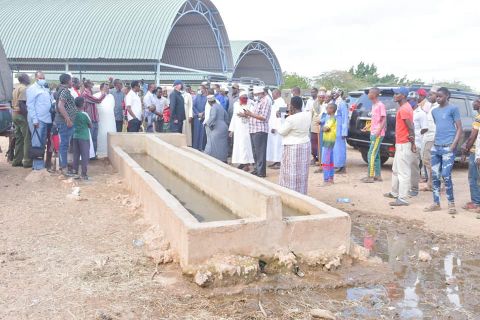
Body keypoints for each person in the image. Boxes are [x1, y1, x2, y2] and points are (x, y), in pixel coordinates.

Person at [424, 87, 463, 214]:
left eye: (440, 96)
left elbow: (459, 129)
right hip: (436, 147)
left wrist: (453, 145)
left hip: (448, 147)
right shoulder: (434, 111)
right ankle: (436, 203)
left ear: (447, 96)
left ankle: (451, 203)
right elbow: (439, 128)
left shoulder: (453, 109)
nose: (438, 98)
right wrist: (434, 145)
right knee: (435, 175)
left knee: (446, 175)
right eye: (437, 96)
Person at [384, 87, 415, 206]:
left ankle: (402, 198)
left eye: (397, 94)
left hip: (404, 143)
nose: (394, 96)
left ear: (403, 95)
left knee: (403, 172)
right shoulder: (404, 107)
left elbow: (411, 127)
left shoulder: (404, 109)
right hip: (401, 143)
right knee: (396, 170)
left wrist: (412, 143)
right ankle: (394, 192)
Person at [277, 96, 311, 194]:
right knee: (302, 171)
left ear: (292, 106)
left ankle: (291, 193)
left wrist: (282, 119)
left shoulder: (291, 119)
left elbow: (281, 131)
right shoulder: (308, 115)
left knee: (290, 171)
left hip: (293, 147)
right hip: (305, 145)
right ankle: (301, 192)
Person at [244, 86, 272, 178]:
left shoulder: (266, 101)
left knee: (260, 152)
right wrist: (246, 115)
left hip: (260, 129)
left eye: (256, 94)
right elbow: (255, 115)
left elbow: (263, 117)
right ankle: (257, 169)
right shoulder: (258, 101)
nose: (255, 96)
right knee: (255, 151)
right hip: (253, 129)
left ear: (262, 93)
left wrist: (250, 114)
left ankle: (261, 172)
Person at [361, 88, 386, 183]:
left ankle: (370, 176)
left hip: (378, 134)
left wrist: (378, 132)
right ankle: (378, 176)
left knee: (371, 154)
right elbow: (374, 120)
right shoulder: (374, 105)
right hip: (373, 132)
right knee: (376, 155)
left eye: (370, 92)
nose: (368, 94)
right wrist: (367, 127)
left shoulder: (380, 105)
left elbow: (383, 120)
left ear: (375, 94)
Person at [54, 73, 77, 174]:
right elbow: (60, 106)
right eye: (71, 80)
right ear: (68, 81)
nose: (72, 82)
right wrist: (68, 119)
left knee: (64, 144)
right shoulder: (64, 91)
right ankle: (64, 168)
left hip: (64, 122)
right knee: (64, 145)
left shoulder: (61, 90)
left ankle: (63, 166)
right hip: (64, 122)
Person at [461, 98, 480, 211]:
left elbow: (473, 136)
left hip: (476, 152)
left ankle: (476, 202)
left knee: (473, 178)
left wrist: (466, 149)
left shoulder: (478, 118)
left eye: (476, 101)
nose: (473, 103)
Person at [409, 91, 428, 196]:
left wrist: (417, 136)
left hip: (416, 143)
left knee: (414, 167)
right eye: (408, 100)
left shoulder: (421, 113)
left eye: (411, 100)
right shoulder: (407, 111)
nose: (409, 102)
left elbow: (425, 128)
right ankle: (406, 187)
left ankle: (414, 188)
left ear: (416, 101)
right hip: (405, 142)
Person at [229, 91, 254, 171]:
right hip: (238, 129)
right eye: (242, 97)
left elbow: (254, 115)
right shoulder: (236, 104)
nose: (244, 99)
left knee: (245, 146)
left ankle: (247, 164)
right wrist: (231, 130)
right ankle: (241, 162)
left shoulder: (251, 103)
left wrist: (245, 115)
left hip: (247, 128)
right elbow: (234, 116)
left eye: (245, 97)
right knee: (238, 146)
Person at [420, 88, 439, 191]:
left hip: (432, 137)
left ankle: (435, 183)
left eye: (431, 94)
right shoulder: (429, 106)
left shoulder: (438, 108)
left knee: (428, 160)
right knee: (425, 160)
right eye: (429, 94)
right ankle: (431, 184)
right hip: (426, 136)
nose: (429, 96)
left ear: (437, 96)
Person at [11, 73, 32, 168]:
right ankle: (27, 161)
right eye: (28, 77)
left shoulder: (16, 88)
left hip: (15, 115)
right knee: (27, 138)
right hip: (21, 115)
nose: (29, 79)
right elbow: (22, 103)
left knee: (19, 138)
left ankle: (16, 160)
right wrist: (27, 116)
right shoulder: (24, 88)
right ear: (24, 79)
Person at [82, 80, 107, 157]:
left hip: (94, 119)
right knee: (90, 139)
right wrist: (103, 93)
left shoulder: (89, 93)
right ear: (88, 85)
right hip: (90, 120)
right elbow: (98, 100)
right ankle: (88, 155)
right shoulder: (85, 94)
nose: (92, 85)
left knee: (94, 139)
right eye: (91, 83)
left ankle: (93, 155)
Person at [204, 95, 229, 162]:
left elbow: (213, 116)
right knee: (222, 145)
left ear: (209, 102)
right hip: (224, 126)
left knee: (212, 143)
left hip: (217, 127)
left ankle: (213, 159)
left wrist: (207, 123)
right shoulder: (220, 106)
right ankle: (223, 159)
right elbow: (226, 116)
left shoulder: (213, 107)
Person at [71, 97, 91, 180]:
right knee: (84, 155)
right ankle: (84, 174)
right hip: (84, 136)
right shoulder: (84, 114)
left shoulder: (73, 114)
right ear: (82, 104)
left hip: (75, 136)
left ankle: (75, 172)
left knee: (76, 155)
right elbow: (90, 125)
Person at [266, 89, 285, 169]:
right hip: (273, 127)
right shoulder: (277, 102)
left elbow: (281, 116)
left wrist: (275, 127)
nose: (272, 96)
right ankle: (276, 161)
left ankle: (280, 162)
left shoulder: (281, 102)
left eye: (273, 94)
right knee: (274, 145)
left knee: (278, 145)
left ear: (277, 94)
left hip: (277, 128)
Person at [332, 88, 349, 173]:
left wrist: (344, 131)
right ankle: (337, 165)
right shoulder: (335, 103)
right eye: (333, 93)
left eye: (335, 93)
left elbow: (345, 118)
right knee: (335, 148)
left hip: (340, 129)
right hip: (334, 128)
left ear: (339, 93)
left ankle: (341, 166)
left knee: (340, 148)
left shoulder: (342, 103)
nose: (333, 94)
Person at [321, 103, 338, 185]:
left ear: (331, 109)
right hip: (329, 141)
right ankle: (331, 178)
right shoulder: (330, 118)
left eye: (327, 108)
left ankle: (326, 179)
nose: (326, 109)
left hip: (328, 142)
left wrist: (322, 128)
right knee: (330, 160)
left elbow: (325, 128)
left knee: (325, 160)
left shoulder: (332, 119)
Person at [310, 90, 325, 166]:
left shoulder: (326, 105)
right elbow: (311, 114)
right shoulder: (314, 104)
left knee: (321, 143)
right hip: (314, 126)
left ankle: (321, 158)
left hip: (322, 126)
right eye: (320, 97)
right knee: (314, 143)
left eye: (322, 97)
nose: (321, 99)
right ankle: (314, 157)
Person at [192, 85, 208, 150]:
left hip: (203, 117)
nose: (199, 91)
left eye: (200, 89)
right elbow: (193, 106)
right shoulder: (196, 97)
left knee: (202, 133)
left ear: (204, 89)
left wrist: (203, 113)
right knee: (196, 132)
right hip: (197, 117)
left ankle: (201, 147)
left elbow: (208, 107)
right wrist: (198, 113)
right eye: (198, 89)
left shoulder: (207, 98)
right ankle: (195, 147)